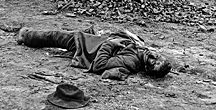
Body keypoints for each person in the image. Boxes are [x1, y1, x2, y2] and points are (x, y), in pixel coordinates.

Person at [17, 26, 172, 80]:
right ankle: (29, 36)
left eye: (155, 64)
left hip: (86, 48)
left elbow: (100, 65)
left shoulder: (131, 61)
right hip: (94, 41)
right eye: (159, 58)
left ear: (147, 69)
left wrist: (110, 44)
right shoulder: (142, 50)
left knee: (55, 37)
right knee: (57, 37)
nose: (154, 58)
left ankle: (26, 36)